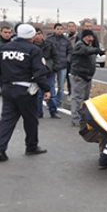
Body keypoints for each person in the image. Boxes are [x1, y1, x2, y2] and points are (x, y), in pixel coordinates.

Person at [0, 24, 51, 161]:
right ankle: (31, 146)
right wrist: (46, 89)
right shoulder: (33, 50)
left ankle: (0, 148)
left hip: (7, 88)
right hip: (26, 89)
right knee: (30, 119)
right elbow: (39, 72)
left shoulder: (4, 48)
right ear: (31, 36)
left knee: (6, 120)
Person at [70, 29, 104, 127]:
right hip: (79, 75)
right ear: (84, 37)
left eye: (92, 37)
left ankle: (83, 118)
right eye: (89, 37)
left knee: (85, 99)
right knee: (77, 98)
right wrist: (96, 50)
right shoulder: (80, 45)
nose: (91, 39)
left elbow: (94, 47)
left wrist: (96, 44)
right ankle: (75, 119)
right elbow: (87, 51)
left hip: (87, 76)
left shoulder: (90, 45)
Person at [33, 27, 60, 119]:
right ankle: (39, 112)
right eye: (36, 34)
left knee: (51, 92)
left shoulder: (49, 45)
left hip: (49, 71)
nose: (38, 36)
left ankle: (53, 111)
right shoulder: (31, 46)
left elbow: (56, 56)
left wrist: (55, 67)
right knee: (38, 94)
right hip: (37, 73)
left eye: (39, 34)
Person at [46, 23, 72, 110]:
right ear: (54, 30)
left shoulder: (66, 40)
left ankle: (58, 102)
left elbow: (70, 52)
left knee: (61, 86)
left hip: (63, 65)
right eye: (57, 29)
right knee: (51, 85)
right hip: (51, 66)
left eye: (61, 29)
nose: (59, 30)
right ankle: (51, 102)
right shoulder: (49, 39)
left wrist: (67, 60)